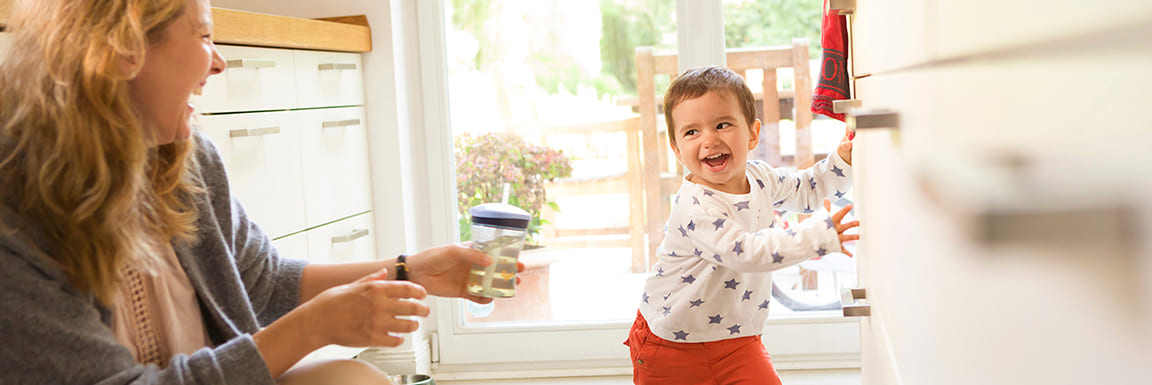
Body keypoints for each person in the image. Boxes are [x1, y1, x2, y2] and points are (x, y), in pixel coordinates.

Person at [0, 0, 514, 384]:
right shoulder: (17, 207)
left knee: (355, 379)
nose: (218, 63)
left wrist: (412, 270)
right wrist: (310, 329)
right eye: (203, 36)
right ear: (125, 46)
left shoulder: (184, 162)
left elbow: (261, 282)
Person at [624, 66, 860, 384]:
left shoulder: (760, 177)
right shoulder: (695, 206)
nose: (709, 139)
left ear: (752, 133)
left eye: (722, 124)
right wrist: (814, 237)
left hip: (737, 341)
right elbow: (748, 253)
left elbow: (806, 189)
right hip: (671, 346)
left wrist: (842, 160)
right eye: (692, 132)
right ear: (677, 149)